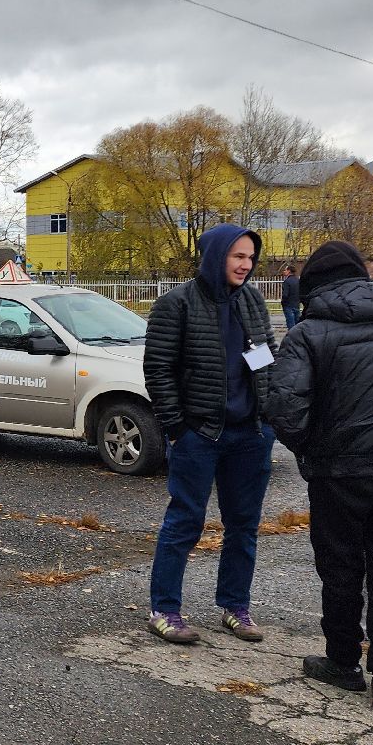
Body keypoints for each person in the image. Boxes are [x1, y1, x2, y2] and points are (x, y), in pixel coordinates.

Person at [268, 241, 373, 713]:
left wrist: (314, 452)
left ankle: (343, 661)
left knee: (340, 570)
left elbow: (285, 410)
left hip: (338, 475)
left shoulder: (306, 335)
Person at [142, 223, 278, 645]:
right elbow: (158, 370)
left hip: (250, 436)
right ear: (216, 256)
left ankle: (235, 607)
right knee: (185, 521)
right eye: (238, 256)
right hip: (199, 435)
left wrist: (269, 418)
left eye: (250, 257)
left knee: (244, 525)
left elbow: (266, 359)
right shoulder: (176, 304)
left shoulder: (253, 302)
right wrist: (178, 428)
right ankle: (164, 609)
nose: (246, 264)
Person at [280, 265, 302, 331]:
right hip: (296, 304)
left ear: (289, 271)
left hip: (288, 305)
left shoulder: (287, 282)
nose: (284, 271)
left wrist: (283, 302)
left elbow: (285, 294)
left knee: (290, 324)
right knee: (297, 323)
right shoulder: (298, 281)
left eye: (285, 270)